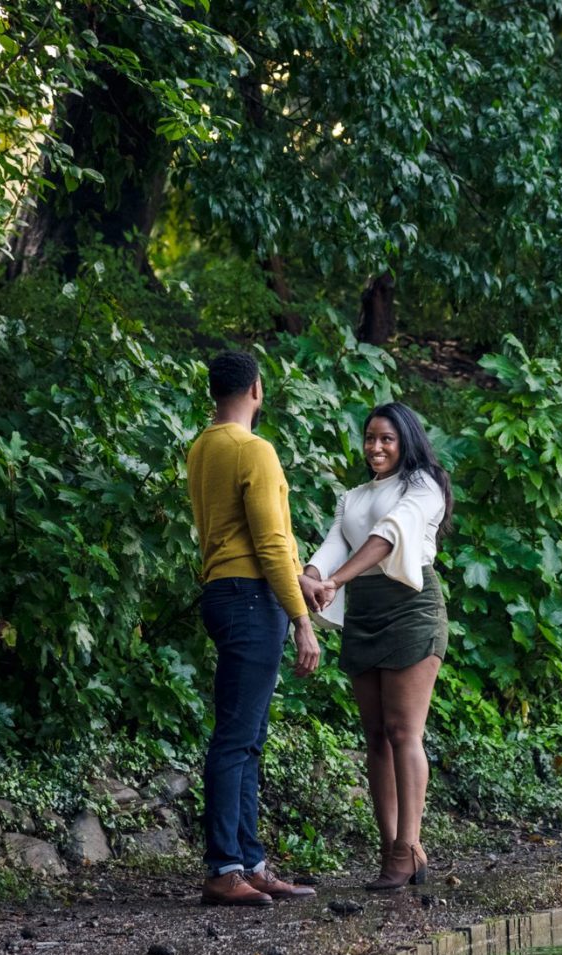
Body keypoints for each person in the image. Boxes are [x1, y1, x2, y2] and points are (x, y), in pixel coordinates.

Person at [185, 348, 322, 908]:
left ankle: (249, 861)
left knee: (248, 738)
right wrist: (302, 619)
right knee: (238, 737)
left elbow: (247, 537)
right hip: (250, 598)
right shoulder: (254, 450)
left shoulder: (202, 447)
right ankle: (224, 868)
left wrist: (298, 580)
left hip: (223, 590)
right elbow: (268, 542)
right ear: (257, 390)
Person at [301, 403, 451, 893]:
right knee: (374, 736)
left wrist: (335, 579)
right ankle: (392, 846)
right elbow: (333, 546)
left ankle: (408, 846)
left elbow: (388, 537)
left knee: (403, 730)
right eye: (369, 438)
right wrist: (311, 576)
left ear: (405, 440)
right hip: (364, 612)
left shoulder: (423, 485)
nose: (376, 447)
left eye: (386, 438)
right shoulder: (353, 496)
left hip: (411, 607)